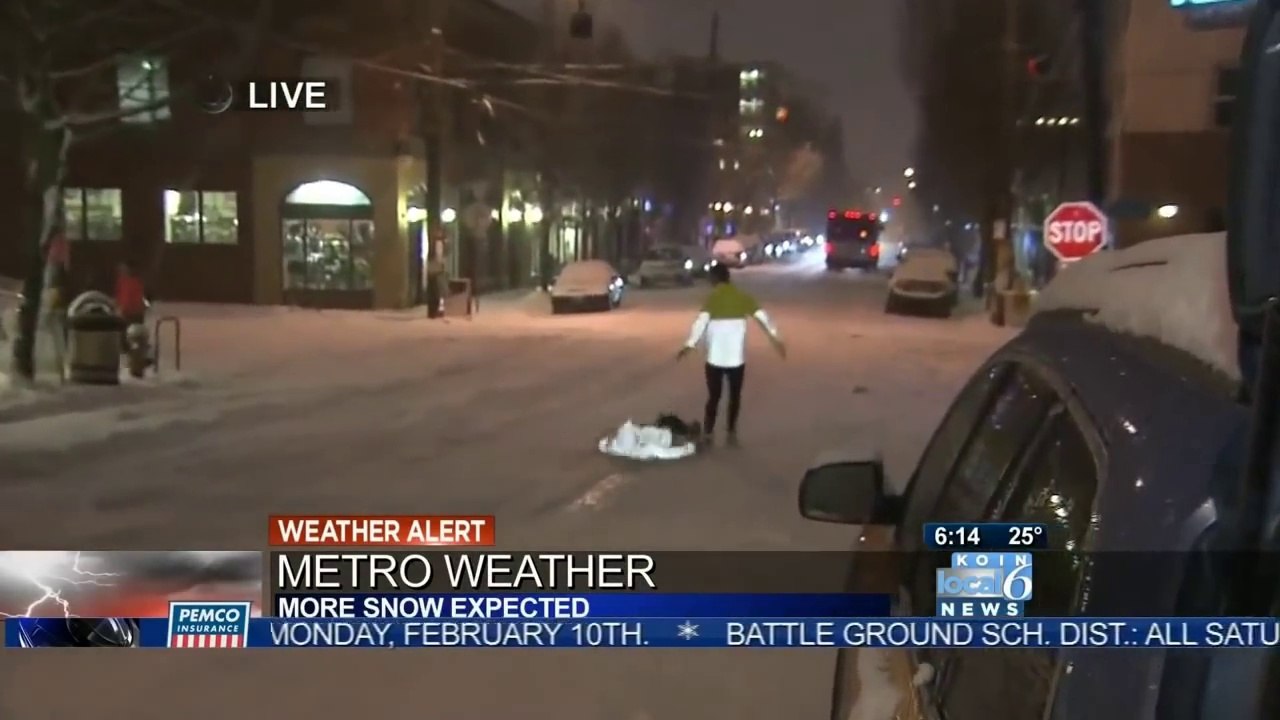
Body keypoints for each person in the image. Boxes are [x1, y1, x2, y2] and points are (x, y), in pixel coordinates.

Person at [677, 263, 785, 446]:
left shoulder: (712, 299)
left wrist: (689, 345)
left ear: (714, 279)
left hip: (715, 359)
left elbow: (700, 324)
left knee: (714, 396)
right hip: (736, 360)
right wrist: (776, 339)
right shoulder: (743, 298)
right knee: (735, 396)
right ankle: (731, 429)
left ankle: (709, 430)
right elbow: (763, 318)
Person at [114, 261, 147, 347]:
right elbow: (120, 296)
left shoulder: (132, 282)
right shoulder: (122, 281)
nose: (121, 272)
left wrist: (121, 308)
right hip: (132, 311)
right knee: (130, 332)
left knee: (131, 331)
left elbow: (127, 298)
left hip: (132, 311)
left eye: (123, 270)